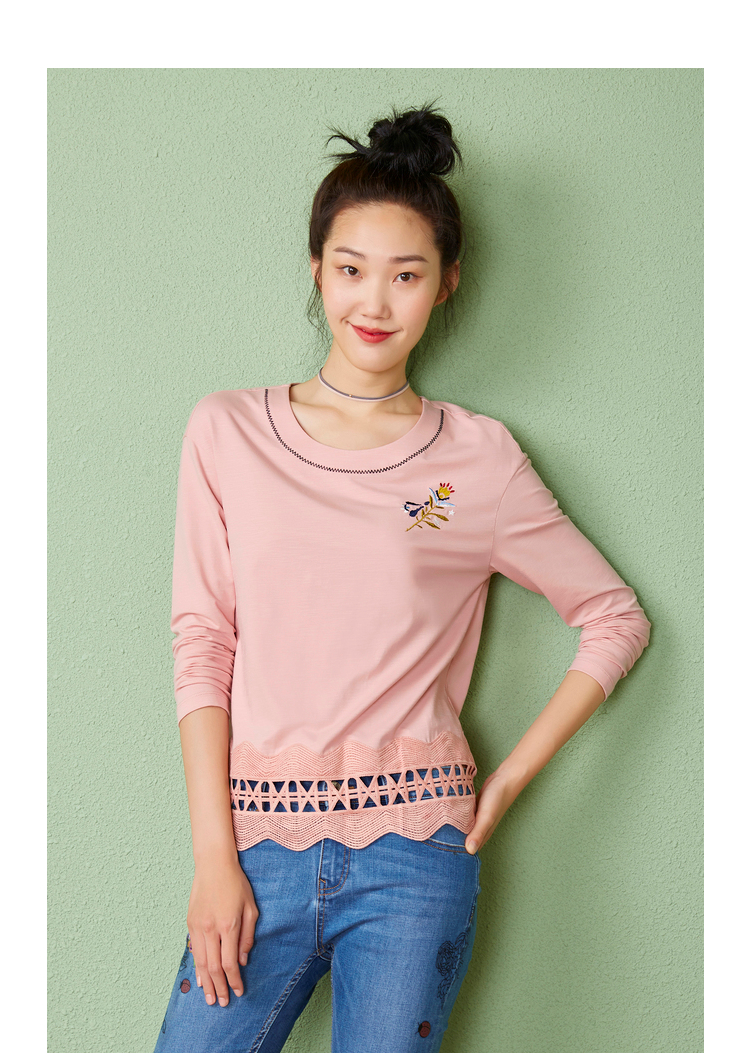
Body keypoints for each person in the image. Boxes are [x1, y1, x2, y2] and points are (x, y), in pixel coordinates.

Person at [152, 103, 651, 1053]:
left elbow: (615, 616)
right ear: (315, 268)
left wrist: (507, 780)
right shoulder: (227, 430)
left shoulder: (479, 460)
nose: (374, 302)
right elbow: (203, 641)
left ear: (447, 283)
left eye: (406, 274)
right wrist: (214, 854)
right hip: (254, 851)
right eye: (351, 269)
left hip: (417, 860)